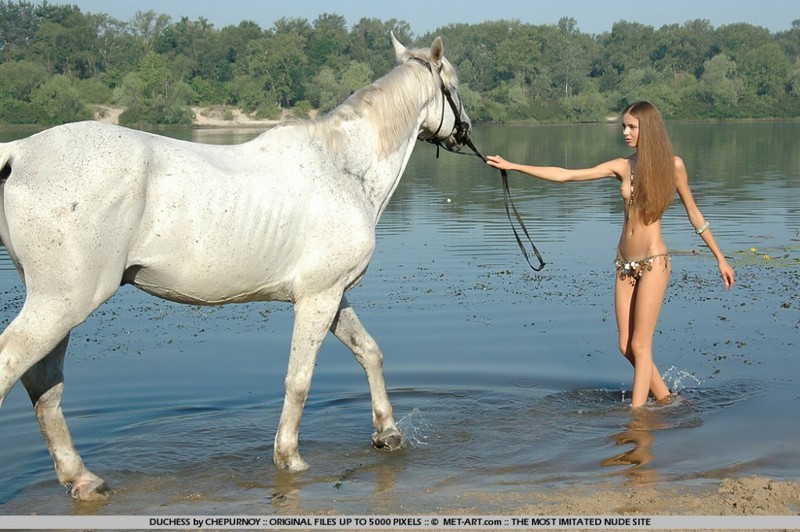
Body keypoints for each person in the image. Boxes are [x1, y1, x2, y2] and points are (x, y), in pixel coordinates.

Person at [486, 101, 735, 408]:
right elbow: (567, 176)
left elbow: (694, 214)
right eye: (624, 126)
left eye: (632, 126)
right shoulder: (623, 166)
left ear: (649, 129)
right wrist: (514, 166)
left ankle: (638, 416)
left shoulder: (674, 166)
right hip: (624, 265)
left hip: (654, 262)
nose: (626, 132)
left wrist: (720, 258)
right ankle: (668, 401)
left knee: (641, 345)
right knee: (625, 346)